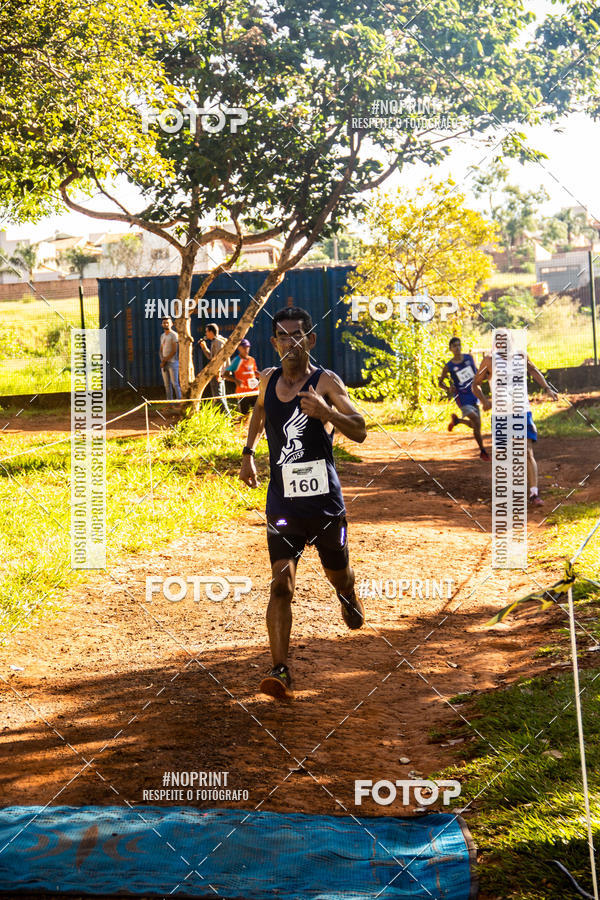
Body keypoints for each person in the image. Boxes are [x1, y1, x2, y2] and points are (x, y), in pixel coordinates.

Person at [239, 307, 367, 701]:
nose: (290, 342)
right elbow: (260, 412)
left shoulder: (325, 381)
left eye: (298, 335)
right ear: (274, 342)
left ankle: (347, 594)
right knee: (281, 584)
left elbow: (360, 429)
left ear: (310, 340)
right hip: (284, 505)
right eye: (282, 335)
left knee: (338, 576)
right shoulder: (266, 381)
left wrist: (327, 413)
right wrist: (248, 453)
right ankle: (280, 670)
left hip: (325, 507)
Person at [472, 350, 558, 506]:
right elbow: (475, 384)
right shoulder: (489, 361)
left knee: (526, 451)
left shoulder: (521, 356)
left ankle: (533, 493)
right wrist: (484, 400)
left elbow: (533, 370)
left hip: (521, 411)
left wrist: (547, 388)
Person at [439, 337, 489, 460]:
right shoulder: (449, 366)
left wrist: (485, 375)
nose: (458, 348)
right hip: (461, 396)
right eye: (454, 346)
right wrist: (448, 389)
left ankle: (458, 421)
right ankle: (483, 451)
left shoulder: (468, 358)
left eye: (459, 345)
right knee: (475, 419)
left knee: (476, 426)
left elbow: (476, 372)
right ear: (450, 349)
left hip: (473, 393)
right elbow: (440, 383)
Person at [199, 323, 230, 415]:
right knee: (220, 396)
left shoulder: (218, 342)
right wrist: (204, 347)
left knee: (219, 396)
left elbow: (219, 360)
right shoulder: (215, 342)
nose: (206, 334)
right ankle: (223, 416)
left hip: (217, 373)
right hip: (218, 373)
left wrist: (218, 373)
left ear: (211, 332)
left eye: (206, 332)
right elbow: (211, 357)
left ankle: (228, 416)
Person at [224, 339, 260, 415]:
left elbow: (254, 372)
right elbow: (225, 375)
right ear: (239, 348)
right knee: (245, 414)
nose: (246, 349)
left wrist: (263, 375)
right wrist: (236, 380)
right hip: (243, 393)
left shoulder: (251, 359)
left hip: (254, 391)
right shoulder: (237, 360)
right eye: (244, 347)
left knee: (258, 413)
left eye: (247, 347)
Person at [159, 316, 181, 401]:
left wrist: (165, 360)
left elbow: (174, 350)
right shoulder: (162, 336)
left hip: (173, 363)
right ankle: (170, 404)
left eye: (167, 322)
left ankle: (180, 403)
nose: (166, 324)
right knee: (167, 385)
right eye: (164, 323)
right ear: (162, 324)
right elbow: (161, 350)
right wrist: (162, 360)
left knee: (175, 384)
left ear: (171, 324)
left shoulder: (174, 335)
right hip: (164, 363)